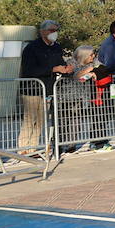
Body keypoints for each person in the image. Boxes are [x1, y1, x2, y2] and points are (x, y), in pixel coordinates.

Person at [18, 20, 70, 157]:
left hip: (47, 89)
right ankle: (23, 149)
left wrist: (66, 68)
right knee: (30, 120)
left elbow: (60, 63)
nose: (54, 33)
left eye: (56, 30)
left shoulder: (57, 47)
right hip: (32, 89)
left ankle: (33, 149)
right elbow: (29, 69)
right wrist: (52, 69)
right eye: (51, 30)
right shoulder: (31, 48)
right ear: (42, 32)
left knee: (41, 121)